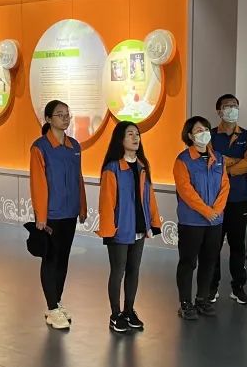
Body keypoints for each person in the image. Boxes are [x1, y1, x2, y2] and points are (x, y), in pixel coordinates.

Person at [98, 121, 162, 333]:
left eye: (137, 134)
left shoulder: (142, 166)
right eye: (130, 134)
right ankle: (115, 315)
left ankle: (129, 311)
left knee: (134, 270)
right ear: (121, 139)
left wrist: (153, 223)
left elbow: (149, 197)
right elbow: (107, 203)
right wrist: (108, 231)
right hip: (119, 230)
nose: (136, 138)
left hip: (139, 228)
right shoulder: (112, 168)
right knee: (118, 271)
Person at [30, 99, 87, 331]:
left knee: (63, 258)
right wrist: (41, 216)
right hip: (51, 214)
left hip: (69, 212)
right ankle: (52, 307)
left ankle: (57, 302)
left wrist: (82, 206)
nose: (65, 118)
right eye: (60, 114)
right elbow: (38, 183)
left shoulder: (74, 146)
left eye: (67, 114)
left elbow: (78, 178)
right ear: (48, 119)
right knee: (51, 259)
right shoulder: (40, 147)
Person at [173, 116, 229, 320]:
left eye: (205, 129)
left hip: (215, 221)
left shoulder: (218, 158)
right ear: (190, 135)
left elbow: (225, 186)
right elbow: (186, 191)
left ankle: (202, 299)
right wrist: (207, 211)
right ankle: (185, 303)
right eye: (198, 130)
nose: (203, 133)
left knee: (209, 261)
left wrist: (217, 210)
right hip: (192, 222)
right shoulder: (183, 160)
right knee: (188, 262)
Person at [210, 94, 247, 305]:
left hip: (239, 197)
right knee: (213, 245)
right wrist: (236, 162)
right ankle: (211, 287)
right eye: (227, 106)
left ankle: (238, 287)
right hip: (214, 199)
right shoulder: (209, 136)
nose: (232, 109)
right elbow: (210, 162)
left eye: (235, 106)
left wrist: (226, 166)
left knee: (237, 245)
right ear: (219, 111)